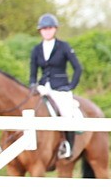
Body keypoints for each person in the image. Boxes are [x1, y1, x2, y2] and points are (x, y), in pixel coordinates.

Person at [28, 13, 83, 159]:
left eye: (50, 28)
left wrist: (71, 86)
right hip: (42, 87)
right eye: (44, 28)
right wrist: (33, 84)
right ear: (40, 30)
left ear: (55, 29)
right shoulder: (36, 49)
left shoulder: (63, 46)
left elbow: (78, 68)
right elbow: (33, 71)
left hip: (60, 88)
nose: (47, 31)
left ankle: (68, 146)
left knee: (67, 113)